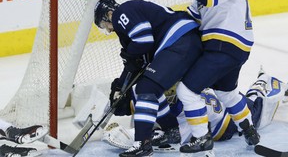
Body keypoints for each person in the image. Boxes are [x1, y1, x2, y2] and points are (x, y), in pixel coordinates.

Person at [164, 0, 259, 155]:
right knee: (228, 94)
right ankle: (249, 129)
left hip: (224, 46)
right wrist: (162, 16)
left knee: (186, 91)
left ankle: (201, 138)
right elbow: (192, 16)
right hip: (230, 49)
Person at [93, 0, 203, 157]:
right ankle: (171, 129)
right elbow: (138, 63)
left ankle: (142, 144)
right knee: (141, 88)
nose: (109, 30)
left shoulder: (121, 12)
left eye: (104, 25)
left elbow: (143, 40)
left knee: (147, 88)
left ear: (108, 14)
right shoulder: (128, 24)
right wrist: (120, 87)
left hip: (179, 41)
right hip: (182, 42)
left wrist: (130, 54)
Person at [102, 69, 287, 151]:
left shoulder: (179, 105)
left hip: (227, 123)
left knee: (260, 103)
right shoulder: (171, 87)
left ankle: (267, 80)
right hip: (217, 101)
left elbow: (172, 134)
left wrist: (139, 135)